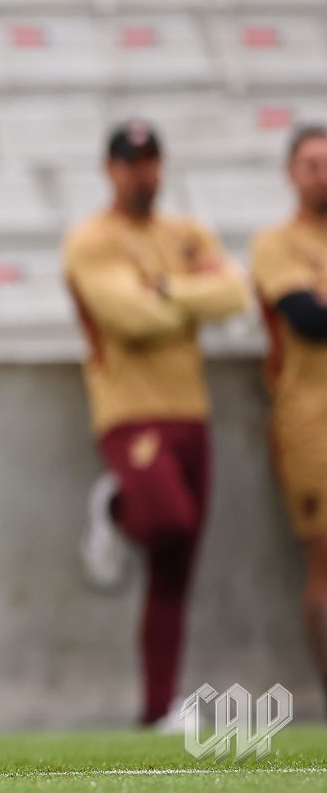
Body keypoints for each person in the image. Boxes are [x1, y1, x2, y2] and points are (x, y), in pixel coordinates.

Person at [63, 121, 249, 729]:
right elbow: (128, 319)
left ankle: (158, 708)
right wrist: (188, 299)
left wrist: (166, 288)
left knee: (176, 567)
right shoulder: (92, 239)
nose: (142, 174)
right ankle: (114, 510)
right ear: (109, 169)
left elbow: (234, 297)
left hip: (190, 407)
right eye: (130, 163)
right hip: (129, 410)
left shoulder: (185, 233)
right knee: (169, 518)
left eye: (150, 162)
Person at [250, 125, 327, 717]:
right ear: (291, 173)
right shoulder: (277, 243)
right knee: (324, 559)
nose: (322, 173)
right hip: (313, 418)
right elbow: (306, 317)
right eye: (311, 164)